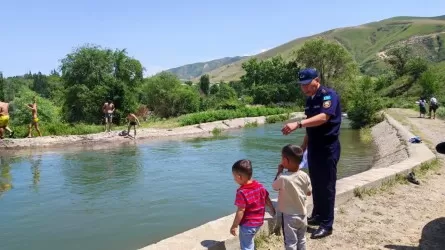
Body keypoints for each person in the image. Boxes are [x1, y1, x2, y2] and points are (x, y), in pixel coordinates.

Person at [281, 68, 342, 239]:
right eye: (302, 86)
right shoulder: (310, 100)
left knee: (327, 186)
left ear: (317, 80)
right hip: (314, 147)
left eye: (308, 84)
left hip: (328, 148)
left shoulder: (328, 95)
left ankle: (327, 224)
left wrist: (297, 124)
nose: (305, 88)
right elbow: (310, 127)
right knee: (316, 183)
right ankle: (317, 215)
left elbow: (323, 118)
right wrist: (303, 147)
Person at [273, 144, 312, 250]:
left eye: (282, 158)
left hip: (289, 217)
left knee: (290, 242)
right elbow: (309, 193)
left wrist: (279, 172)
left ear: (285, 160)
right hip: (303, 215)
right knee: (302, 239)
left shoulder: (283, 178)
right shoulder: (304, 175)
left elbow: (274, 187)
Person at [230, 159, 276, 250]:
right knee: (250, 242)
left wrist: (234, 225)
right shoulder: (260, 186)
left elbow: (241, 210)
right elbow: (267, 199)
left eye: (234, 176)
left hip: (247, 225)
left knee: (246, 246)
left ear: (239, 177)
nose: (234, 179)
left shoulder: (241, 192)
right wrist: (272, 210)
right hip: (258, 222)